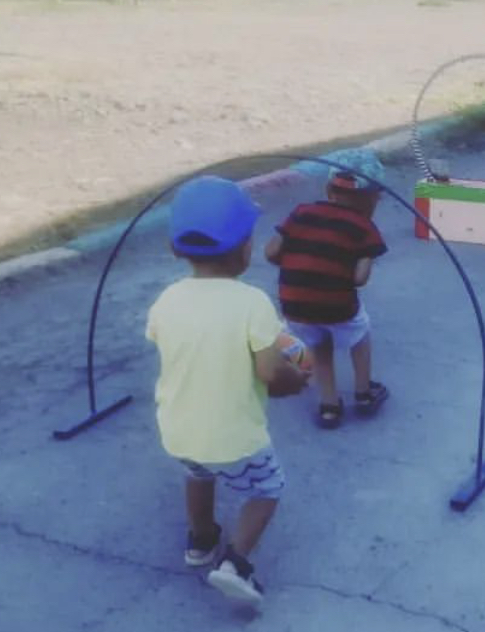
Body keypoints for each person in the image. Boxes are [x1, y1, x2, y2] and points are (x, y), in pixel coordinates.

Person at [145, 175, 308, 607]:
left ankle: (201, 541)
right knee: (267, 488)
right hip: (235, 438)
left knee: (198, 472)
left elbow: (173, 343)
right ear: (245, 248)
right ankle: (236, 563)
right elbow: (270, 372)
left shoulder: (167, 299)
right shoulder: (252, 303)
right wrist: (296, 380)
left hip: (177, 430)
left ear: (175, 248)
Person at [265, 169, 389, 429]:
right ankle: (364, 393)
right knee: (360, 333)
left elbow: (272, 251)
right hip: (338, 306)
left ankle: (329, 407)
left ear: (329, 191)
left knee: (320, 344)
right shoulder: (364, 227)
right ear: (369, 199)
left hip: (295, 304)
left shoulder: (301, 213)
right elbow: (359, 278)